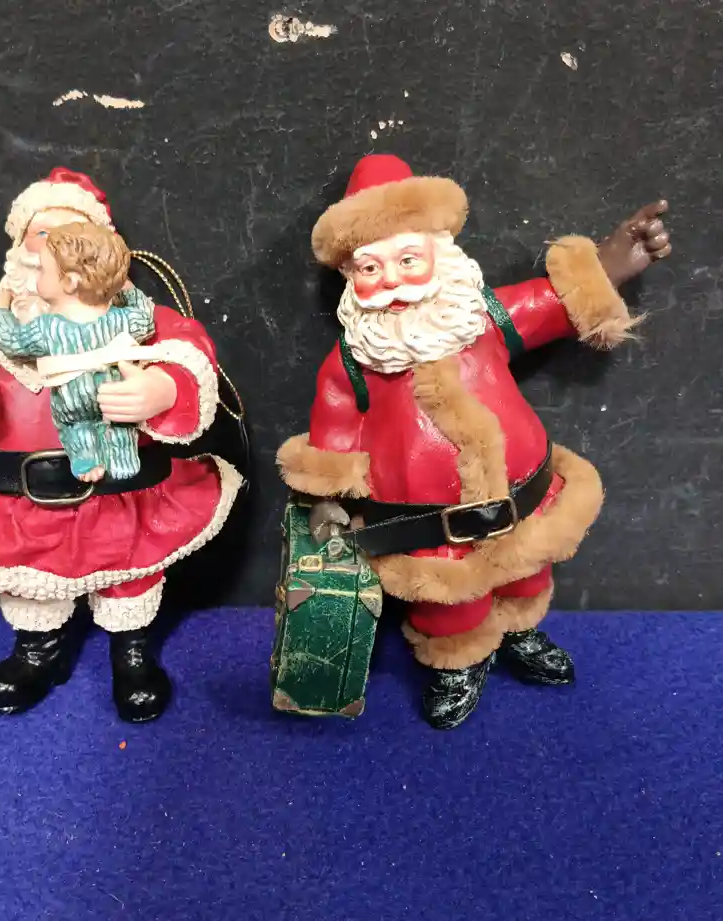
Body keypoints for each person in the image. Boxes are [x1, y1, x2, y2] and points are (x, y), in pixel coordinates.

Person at [277, 153, 671, 730]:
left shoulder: (481, 317)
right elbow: (333, 429)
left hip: (522, 496)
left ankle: (519, 631)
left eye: (408, 260)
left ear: (439, 254)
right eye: (371, 268)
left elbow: (554, 302)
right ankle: (457, 663)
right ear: (350, 277)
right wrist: (327, 495)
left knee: (528, 572)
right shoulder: (352, 362)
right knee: (447, 605)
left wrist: (612, 262)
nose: (391, 282)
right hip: (425, 521)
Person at [0, 167, 243, 722]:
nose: (51, 246)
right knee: (32, 584)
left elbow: (188, 348)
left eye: (69, 233)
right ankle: (39, 652)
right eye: (42, 233)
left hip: (120, 490)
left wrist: (161, 388)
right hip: (22, 501)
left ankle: (130, 652)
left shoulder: (133, 317)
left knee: (131, 573)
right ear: (19, 246)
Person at [0, 221, 155, 483]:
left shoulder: (47, 329)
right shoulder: (121, 321)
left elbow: (12, 341)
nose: (38, 277)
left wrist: (0, 308)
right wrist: (128, 289)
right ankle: (121, 455)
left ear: (69, 282)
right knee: (120, 425)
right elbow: (145, 318)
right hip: (115, 396)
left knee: (77, 428)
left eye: (43, 271)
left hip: (74, 403)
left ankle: (88, 458)